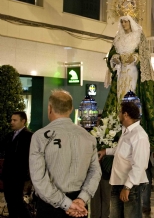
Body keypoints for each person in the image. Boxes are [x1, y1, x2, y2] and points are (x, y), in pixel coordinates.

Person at [29, 90, 101, 218]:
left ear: (49, 108)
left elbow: (39, 179)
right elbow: (95, 172)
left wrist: (67, 204)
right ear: (71, 109)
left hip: (50, 206)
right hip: (79, 206)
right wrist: (81, 200)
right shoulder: (89, 137)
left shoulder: (39, 137)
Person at [102, 15, 154, 146]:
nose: (124, 24)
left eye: (126, 21)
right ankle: (118, 123)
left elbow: (144, 56)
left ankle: (133, 119)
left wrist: (134, 58)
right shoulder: (118, 38)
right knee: (120, 97)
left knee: (133, 95)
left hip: (133, 73)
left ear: (131, 22)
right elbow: (111, 54)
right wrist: (115, 58)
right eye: (122, 21)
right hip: (121, 73)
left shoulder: (139, 36)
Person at [98, 101, 150, 218]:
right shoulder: (126, 131)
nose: (118, 115)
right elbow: (122, 151)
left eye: (120, 112)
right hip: (118, 182)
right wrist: (106, 151)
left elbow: (140, 164)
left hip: (131, 186)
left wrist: (127, 187)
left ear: (126, 114)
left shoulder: (139, 135)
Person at [1, 111, 33, 218]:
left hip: (19, 176)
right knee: (10, 201)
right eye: (11, 120)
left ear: (23, 121)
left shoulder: (28, 136)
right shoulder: (10, 136)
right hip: (8, 175)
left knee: (18, 202)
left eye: (15, 120)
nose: (12, 122)